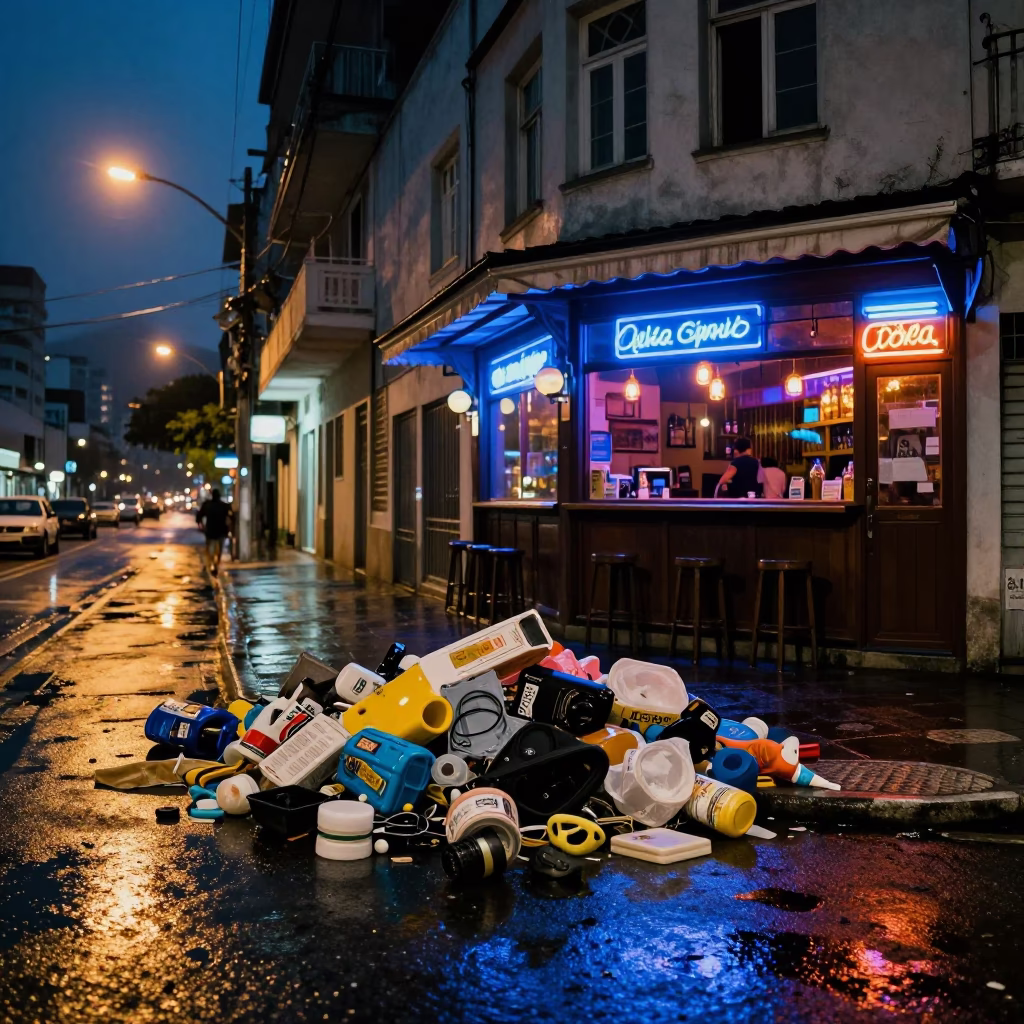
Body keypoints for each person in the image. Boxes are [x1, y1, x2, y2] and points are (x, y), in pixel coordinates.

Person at [196, 488, 233, 576]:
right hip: (221, 531)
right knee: (219, 550)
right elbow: (231, 518)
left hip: (211, 531)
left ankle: (212, 564)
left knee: (210, 550)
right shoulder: (224, 506)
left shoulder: (207, 505)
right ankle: (216, 565)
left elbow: (199, 516)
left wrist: (201, 526)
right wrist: (230, 528)